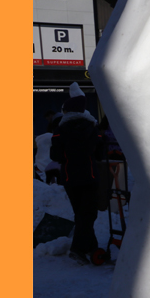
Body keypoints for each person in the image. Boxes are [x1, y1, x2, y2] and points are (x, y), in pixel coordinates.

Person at [50, 84, 105, 265]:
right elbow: (100, 154)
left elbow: (55, 155)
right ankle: (79, 249)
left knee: (81, 214)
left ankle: (91, 247)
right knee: (87, 215)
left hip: (69, 178)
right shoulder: (92, 129)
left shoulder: (60, 130)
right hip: (89, 176)